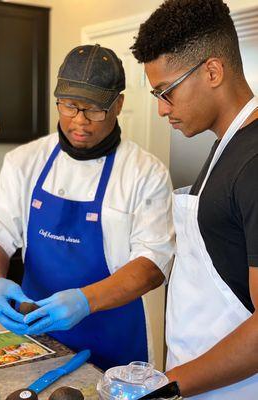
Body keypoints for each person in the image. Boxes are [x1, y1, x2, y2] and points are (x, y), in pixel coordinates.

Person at [0, 44, 174, 370]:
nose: (80, 121)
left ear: (118, 104)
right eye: (69, 106)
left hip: (117, 342)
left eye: (94, 109)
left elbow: (152, 265)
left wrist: (85, 301)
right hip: (37, 339)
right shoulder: (24, 161)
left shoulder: (145, 173)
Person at [131, 0, 258, 398]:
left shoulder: (254, 162)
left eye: (166, 92)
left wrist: (166, 387)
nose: (160, 109)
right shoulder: (226, 147)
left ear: (213, 71)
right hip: (199, 383)